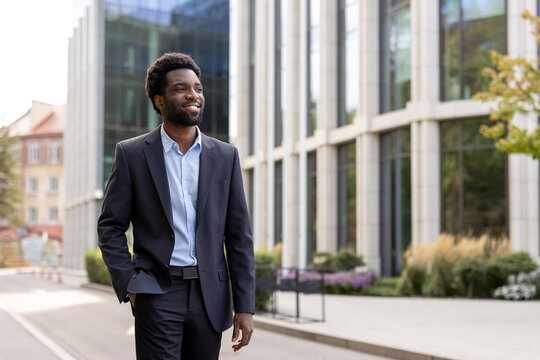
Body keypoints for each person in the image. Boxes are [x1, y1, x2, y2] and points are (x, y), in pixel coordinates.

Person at [97, 52, 255, 360]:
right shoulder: (132, 155)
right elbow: (110, 226)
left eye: (197, 87)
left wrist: (245, 306)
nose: (193, 94)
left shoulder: (225, 157)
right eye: (181, 88)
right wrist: (130, 283)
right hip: (156, 292)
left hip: (210, 295)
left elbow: (239, 237)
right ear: (159, 100)